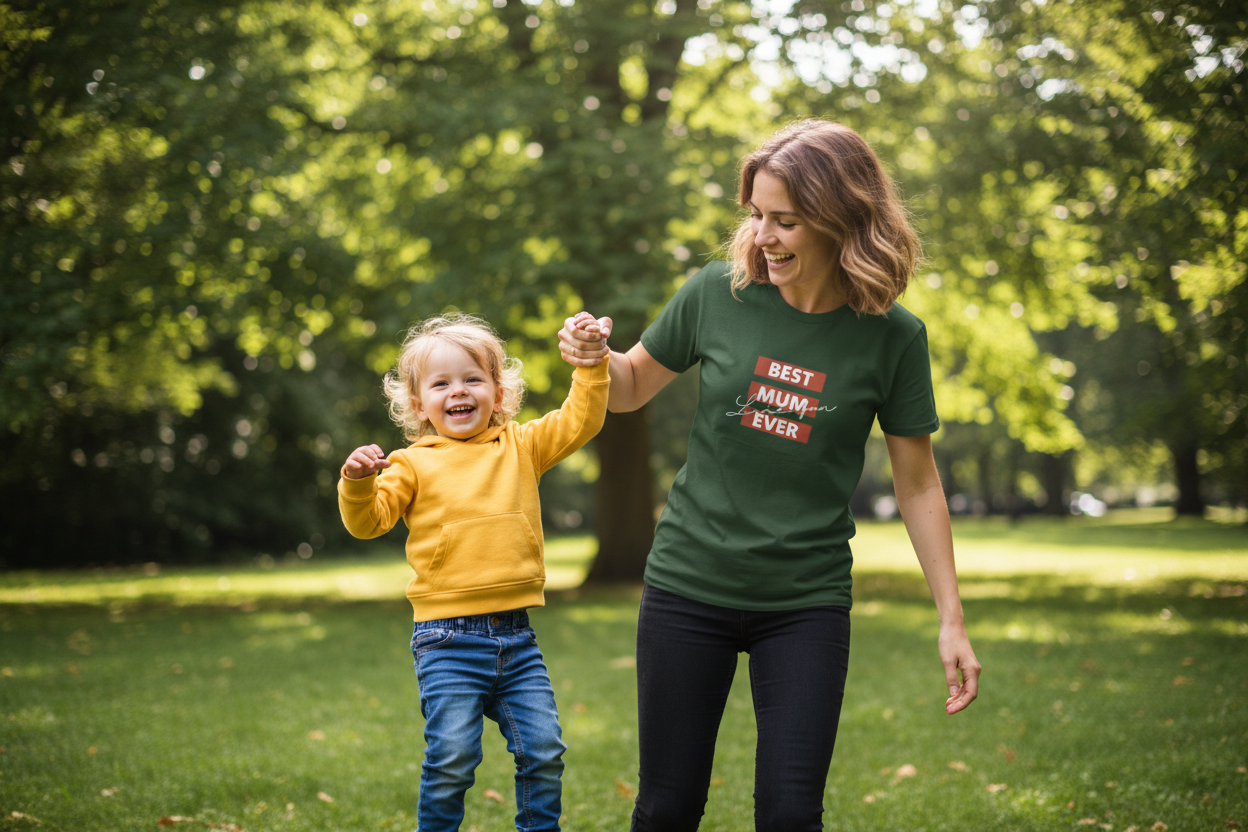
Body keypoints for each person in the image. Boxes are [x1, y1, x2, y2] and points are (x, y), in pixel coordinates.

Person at [558, 119, 982, 831]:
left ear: (841, 220)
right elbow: (629, 388)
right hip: (689, 585)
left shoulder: (894, 337)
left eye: (785, 221)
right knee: (667, 808)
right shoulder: (716, 294)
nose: (762, 237)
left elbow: (918, 485)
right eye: (756, 215)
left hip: (805, 601)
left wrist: (951, 619)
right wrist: (596, 357)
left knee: (790, 814)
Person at [338, 313, 610, 832]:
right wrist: (356, 483)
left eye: (472, 379)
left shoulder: (522, 446)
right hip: (446, 641)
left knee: (545, 750)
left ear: (499, 393)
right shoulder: (410, 464)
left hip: (517, 638)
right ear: (419, 405)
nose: (458, 391)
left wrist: (591, 366)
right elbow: (369, 522)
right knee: (453, 759)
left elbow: (581, 419)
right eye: (440, 384)